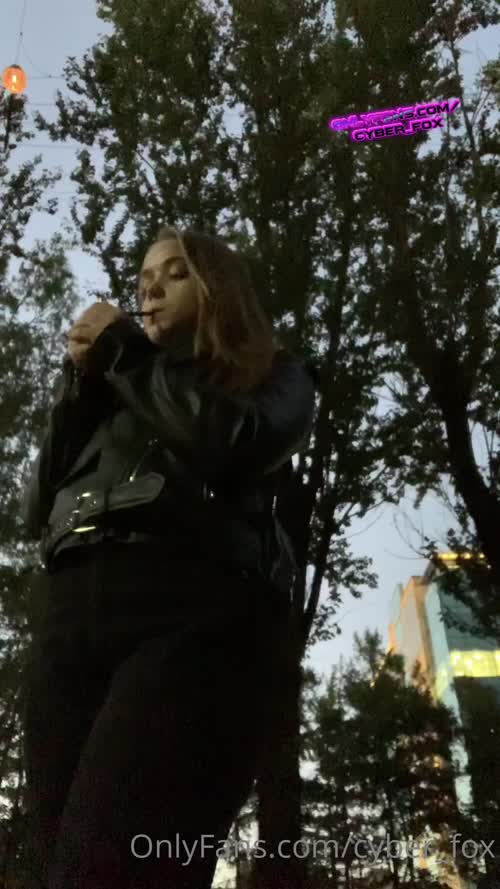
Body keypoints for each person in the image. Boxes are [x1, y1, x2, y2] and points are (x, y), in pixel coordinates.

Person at [20, 225, 316, 889]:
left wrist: (123, 352)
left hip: (190, 608)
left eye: (175, 272)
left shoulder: (275, 372)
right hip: (70, 617)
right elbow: (35, 507)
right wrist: (78, 389)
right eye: (144, 278)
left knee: (114, 863)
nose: (150, 287)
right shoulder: (113, 391)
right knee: (54, 860)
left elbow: (234, 440)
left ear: (219, 289)